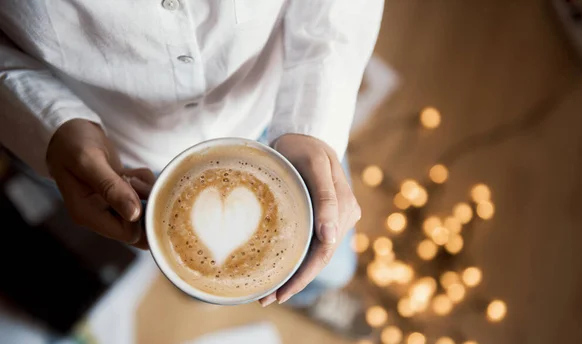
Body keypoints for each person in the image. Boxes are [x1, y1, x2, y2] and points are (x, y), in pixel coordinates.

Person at [0, 0, 383, 306]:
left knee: (334, 266)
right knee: (191, 274)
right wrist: (50, 122)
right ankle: (203, 293)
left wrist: (312, 121)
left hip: (284, 130)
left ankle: (309, 298)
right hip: (121, 168)